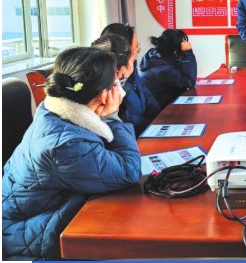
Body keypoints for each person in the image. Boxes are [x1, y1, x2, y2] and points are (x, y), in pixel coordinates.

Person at [2, 47, 141, 260]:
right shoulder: (66, 146)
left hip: (53, 212)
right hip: (35, 238)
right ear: (104, 95)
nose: (119, 90)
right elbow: (129, 171)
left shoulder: (55, 112)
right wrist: (112, 117)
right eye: (116, 84)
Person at [100, 23, 159, 136]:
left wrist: (160, 118)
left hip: (145, 130)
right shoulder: (109, 83)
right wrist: (122, 80)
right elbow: (126, 120)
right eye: (135, 46)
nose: (137, 51)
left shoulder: (132, 69)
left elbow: (147, 95)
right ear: (123, 49)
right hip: (134, 135)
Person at [139, 29, 197, 109]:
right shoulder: (163, 70)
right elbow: (189, 82)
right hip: (160, 112)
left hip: (159, 107)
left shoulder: (154, 58)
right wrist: (188, 53)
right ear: (175, 51)